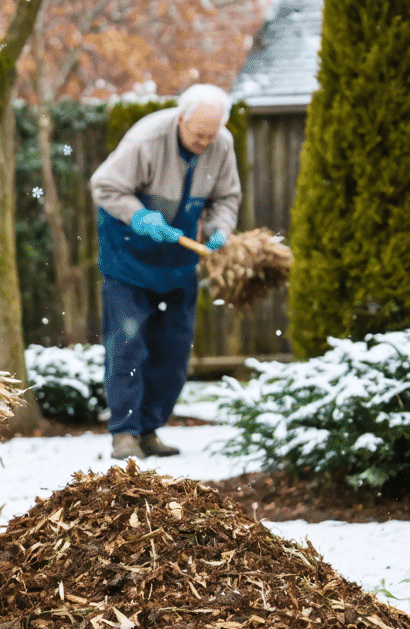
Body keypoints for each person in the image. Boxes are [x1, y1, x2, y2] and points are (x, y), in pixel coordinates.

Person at [89, 84, 240, 460]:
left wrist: (222, 228)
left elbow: (226, 196)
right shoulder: (147, 139)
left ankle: (150, 428)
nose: (206, 141)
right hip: (129, 256)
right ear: (180, 119)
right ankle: (125, 433)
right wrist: (139, 215)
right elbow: (104, 185)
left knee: (173, 349)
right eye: (198, 133)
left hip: (178, 263)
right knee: (128, 345)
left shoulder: (221, 143)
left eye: (212, 133)